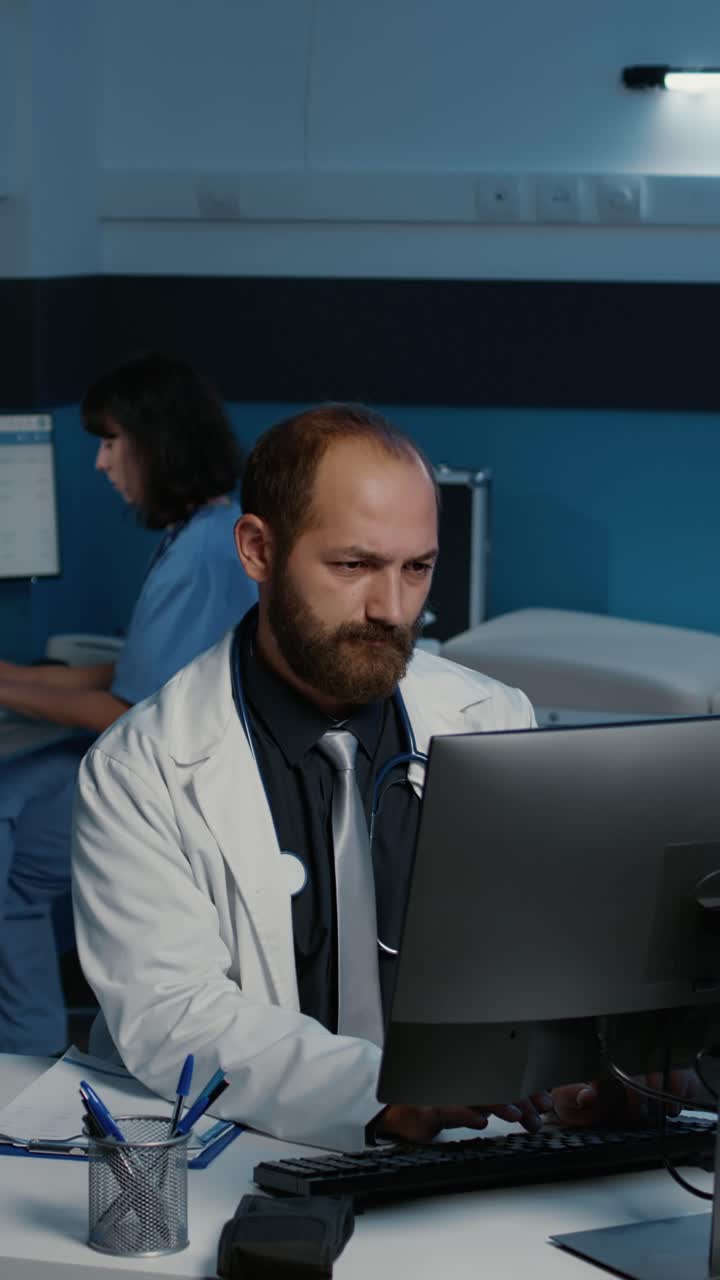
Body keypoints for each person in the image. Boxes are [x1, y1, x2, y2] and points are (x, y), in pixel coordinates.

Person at [72, 403, 695, 1151]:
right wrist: (382, 1096)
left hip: (464, 1157)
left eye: (417, 568)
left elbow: (537, 967)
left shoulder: (489, 716)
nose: (391, 609)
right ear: (257, 549)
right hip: (258, 1151)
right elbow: (176, 1013)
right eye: (354, 565)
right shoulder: (141, 769)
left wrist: (593, 1070)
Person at [0, 352, 257, 1054]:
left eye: (112, 443)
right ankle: (29, 1043)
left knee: (10, 826)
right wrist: (18, 677)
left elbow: (133, 711)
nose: (102, 464)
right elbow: (145, 668)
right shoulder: (203, 534)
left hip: (159, 777)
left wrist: (11, 688)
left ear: (157, 444)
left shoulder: (205, 555)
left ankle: (25, 1049)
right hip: (145, 753)